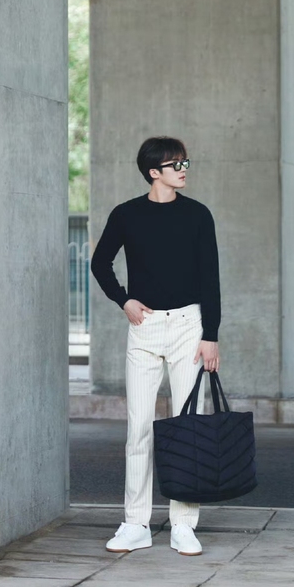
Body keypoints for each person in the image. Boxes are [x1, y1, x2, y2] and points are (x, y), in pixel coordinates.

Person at [90, 136, 221, 556]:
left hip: (188, 327)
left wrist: (211, 335)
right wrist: (123, 300)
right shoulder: (126, 214)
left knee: (187, 428)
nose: (183, 170)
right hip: (144, 328)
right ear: (153, 172)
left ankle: (183, 524)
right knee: (139, 429)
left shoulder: (198, 215)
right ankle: (135, 524)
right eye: (175, 164)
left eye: (185, 162)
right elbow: (100, 262)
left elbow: (210, 278)